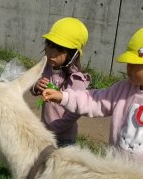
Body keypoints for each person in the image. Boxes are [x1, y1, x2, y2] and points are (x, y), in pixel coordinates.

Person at [42, 28, 143, 162]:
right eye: (129, 63)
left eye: (135, 64)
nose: (128, 67)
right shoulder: (122, 90)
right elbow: (94, 100)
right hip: (117, 167)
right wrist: (64, 97)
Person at [31, 17, 91, 147]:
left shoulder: (75, 79)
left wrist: (55, 128)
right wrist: (36, 86)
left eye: (58, 51)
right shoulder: (47, 67)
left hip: (64, 138)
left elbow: (75, 111)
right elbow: (32, 87)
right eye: (49, 47)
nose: (51, 54)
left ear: (73, 54)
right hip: (46, 131)